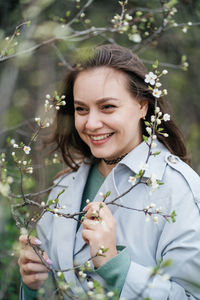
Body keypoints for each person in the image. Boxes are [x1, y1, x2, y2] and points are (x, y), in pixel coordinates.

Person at [18, 44, 200, 300]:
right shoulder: (65, 186)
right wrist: (34, 285)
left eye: (107, 107)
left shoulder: (178, 190)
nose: (91, 123)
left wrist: (114, 265)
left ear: (142, 106)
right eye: (81, 109)